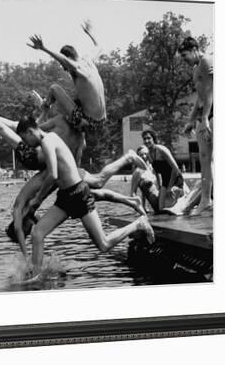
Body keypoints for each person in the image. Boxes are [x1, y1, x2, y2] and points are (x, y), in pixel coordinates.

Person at [0, 89, 146, 255]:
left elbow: (20, 230)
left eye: (27, 231)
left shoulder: (20, 211)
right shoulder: (64, 127)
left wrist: (44, 108)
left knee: (97, 184)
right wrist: (44, 107)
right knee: (97, 185)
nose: (29, 231)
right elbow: (38, 129)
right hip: (40, 162)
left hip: (41, 163)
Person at [15, 116, 154, 278]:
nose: (26, 144)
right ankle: (36, 276)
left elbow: (52, 175)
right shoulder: (48, 139)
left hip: (78, 194)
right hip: (65, 197)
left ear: (30, 131)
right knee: (37, 233)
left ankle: (138, 224)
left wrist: (37, 199)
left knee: (104, 244)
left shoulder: (47, 141)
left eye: (24, 138)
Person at [27, 22, 106, 132]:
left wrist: (44, 48)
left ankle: (43, 110)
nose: (64, 69)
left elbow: (64, 60)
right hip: (102, 121)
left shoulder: (78, 68)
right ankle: (46, 106)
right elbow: (99, 47)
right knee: (74, 99)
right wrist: (90, 33)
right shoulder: (88, 60)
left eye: (63, 66)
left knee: (54, 88)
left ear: (68, 59)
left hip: (88, 122)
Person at [179, 37, 213, 215]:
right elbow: (199, 98)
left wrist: (206, 118)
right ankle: (206, 200)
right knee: (205, 159)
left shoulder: (207, 60)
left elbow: (210, 92)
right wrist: (191, 120)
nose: (184, 60)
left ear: (194, 49)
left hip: (214, 112)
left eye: (185, 55)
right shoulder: (194, 69)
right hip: (204, 114)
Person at [141, 130, 189, 212]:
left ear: (153, 139)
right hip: (165, 182)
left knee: (170, 208)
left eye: (149, 138)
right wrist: (160, 187)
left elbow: (175, 168)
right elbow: (156, 172)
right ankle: (182, 195)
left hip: (175, 179)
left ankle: (183, 192)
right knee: (161, 209)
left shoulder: (161, 149)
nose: (146, 141)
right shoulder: (149, 154)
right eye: (144, 139)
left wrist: (170, 187)